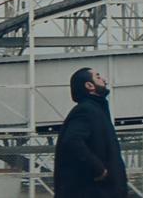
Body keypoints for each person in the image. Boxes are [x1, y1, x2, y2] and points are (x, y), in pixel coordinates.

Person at [54, 67, 128, 198]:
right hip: (94, 191)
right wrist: (99, 170)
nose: (104, 80)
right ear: (89, 85)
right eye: (98, 77)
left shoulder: (95, 110)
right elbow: (72, 141)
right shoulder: (87, 110)